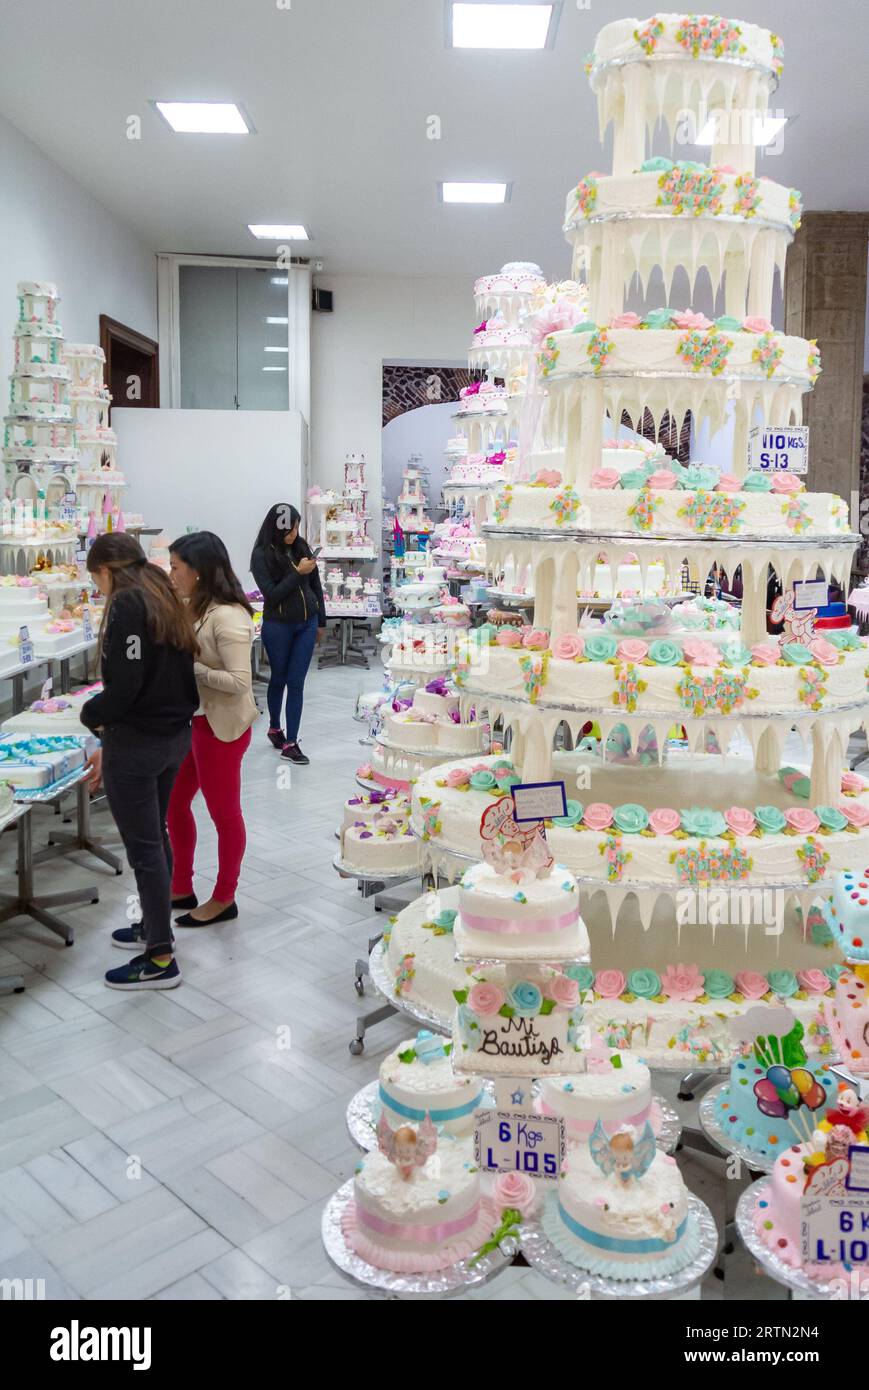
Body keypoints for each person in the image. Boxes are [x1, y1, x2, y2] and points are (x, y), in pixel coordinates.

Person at [81, 532, 198, 990]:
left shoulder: (129, 605)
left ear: (108, 571)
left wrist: (92, 714)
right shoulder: (160, 596)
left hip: (140, 743)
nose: (98, 589)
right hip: (173, 738)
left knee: (145, 848)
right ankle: (156, 927)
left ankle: (160, 958)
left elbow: (126, 686)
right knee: (157, 837)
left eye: (96, 579)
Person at [163, 531, 258, 926]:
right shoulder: (195, 607)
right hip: (195, 722)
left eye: (176, 568)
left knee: (224, 814)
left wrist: (191, 668)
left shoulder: (228, 616)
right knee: (174, 803)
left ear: (198, 572)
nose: (171, 575)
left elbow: (240, 681)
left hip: (221, 729)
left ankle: (224, 897)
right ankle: (180, 885)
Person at [250, 502, 326, 764]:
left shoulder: (301, 547)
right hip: (278, 626)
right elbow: (272, 594)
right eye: (290, 528)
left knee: (296, 682)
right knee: (279, 679)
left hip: (306, 624)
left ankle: (291, 743)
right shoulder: (261, 555)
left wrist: (321, 621)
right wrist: (296, 572)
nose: (294, 533)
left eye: (296, 527)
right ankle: (274, 728)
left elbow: (316, 585)